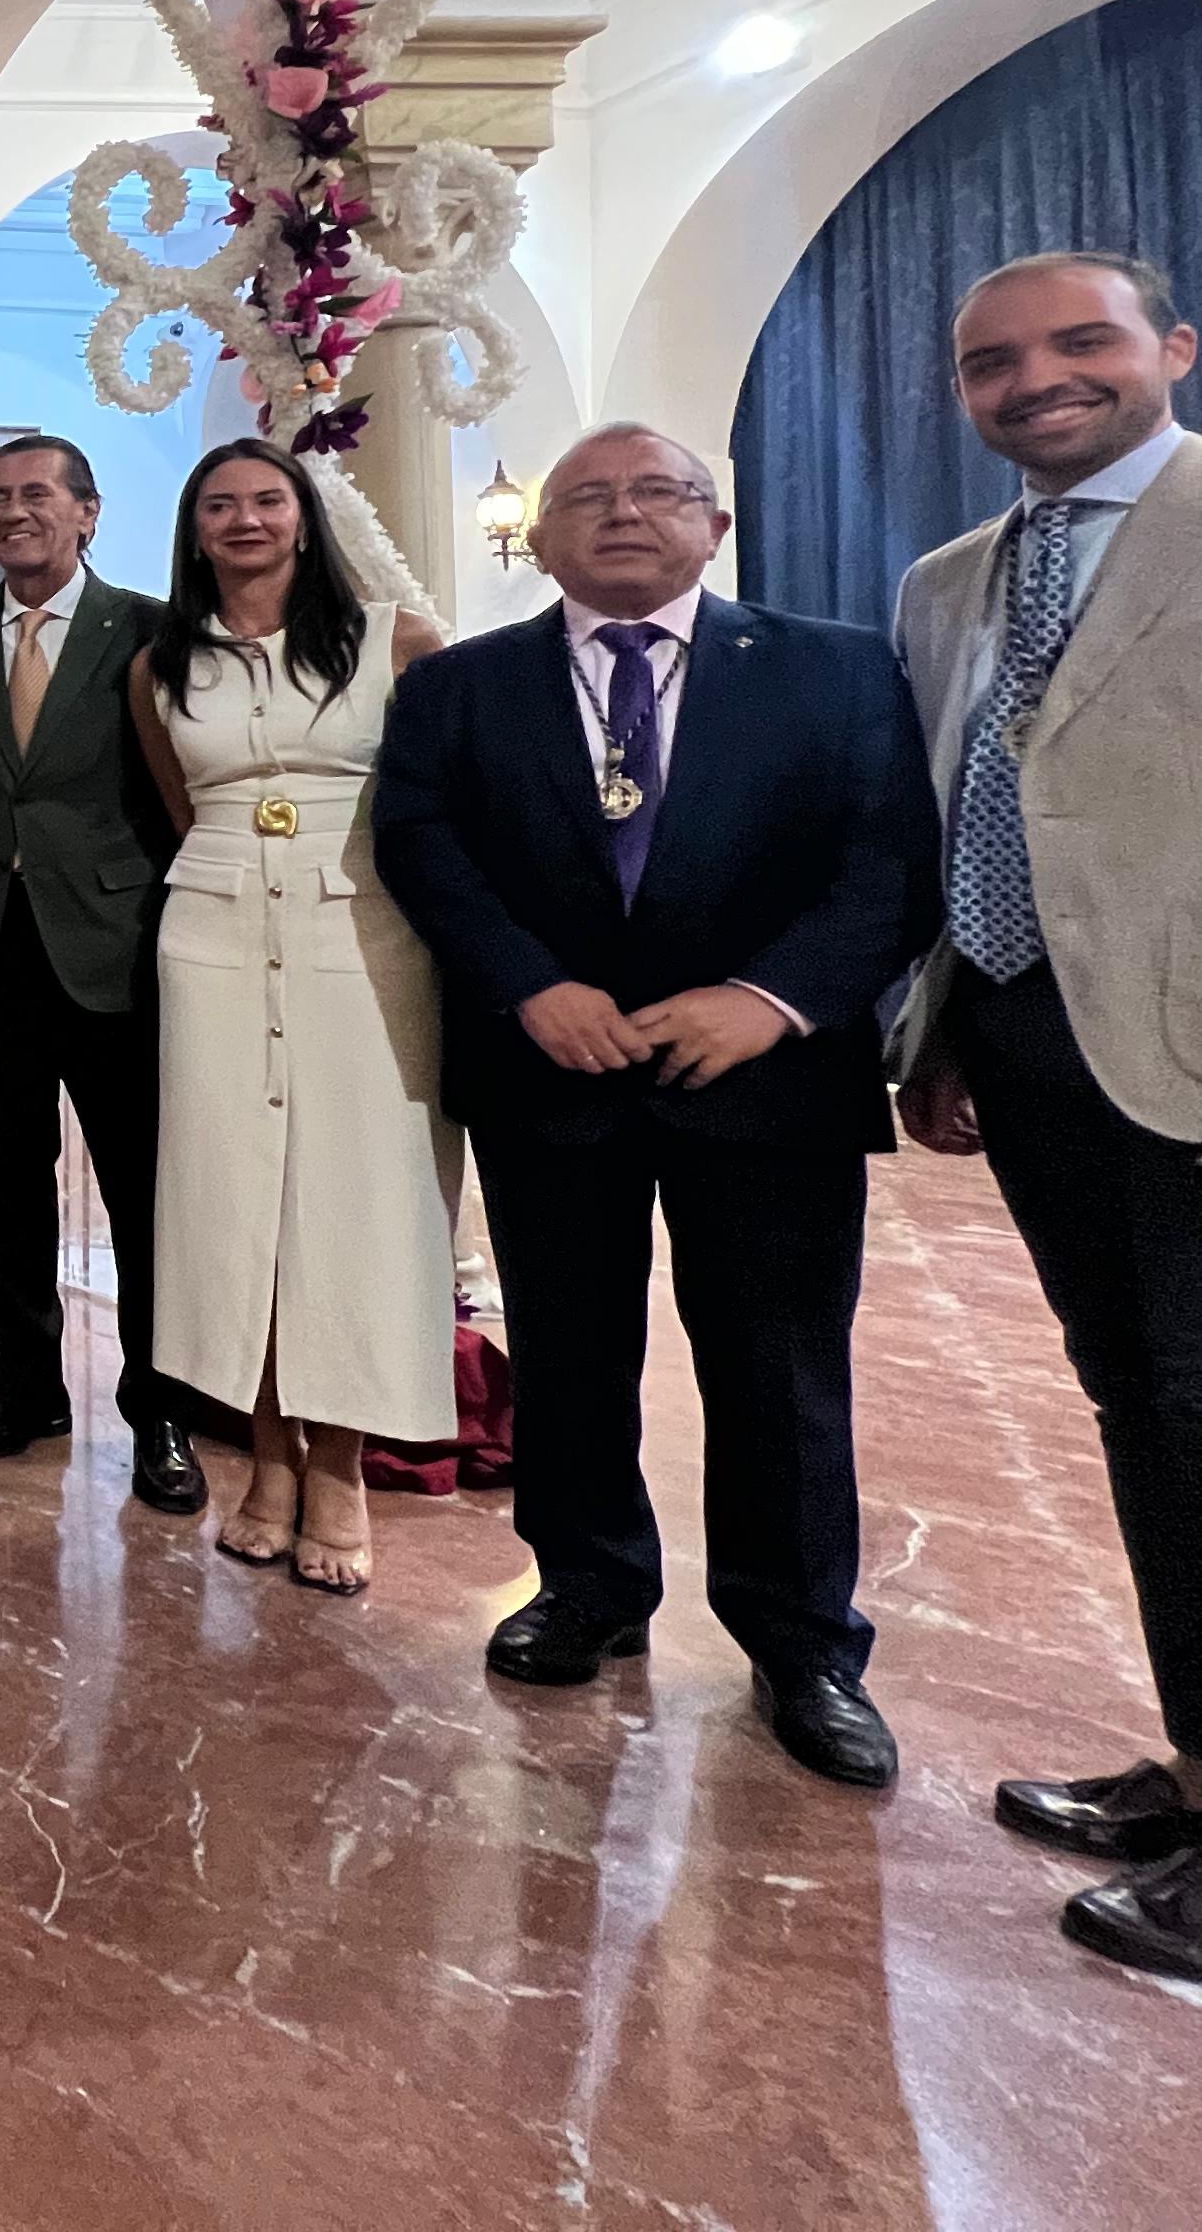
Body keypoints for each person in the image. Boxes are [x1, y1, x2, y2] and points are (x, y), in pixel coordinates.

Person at [375, 423, 940, 1785]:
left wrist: (773, 1000)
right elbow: (421, 844)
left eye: (656, 492)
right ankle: (588, 1584)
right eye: (587, 497)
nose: (621, 514)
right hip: (551, 1069)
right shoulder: (460, 685)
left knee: (781, 1368)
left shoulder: (838, 668)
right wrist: (528, 985)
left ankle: (803, 1644)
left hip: (768, 1080)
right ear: (542, 537)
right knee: (568, 1347)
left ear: (714, 524)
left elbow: (889, 862)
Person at [891, 251, 1202, 1980]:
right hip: (1027, 1043)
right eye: (993, 361)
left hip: (1189, 1046)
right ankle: (1194, 1762)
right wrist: (948, 1023)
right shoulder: (952, 580)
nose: (1036, 380)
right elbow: (967, 808)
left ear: (1172, 348)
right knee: (1138, 1399)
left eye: (1081, 342)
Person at [129, 441, 454, 1595]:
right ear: (194, 529)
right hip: (214, 930)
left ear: (305, 519)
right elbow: (183, 803)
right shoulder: (163, 664)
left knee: (353, 1197)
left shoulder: (395, 642)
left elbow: (435, 799)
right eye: (219, 504)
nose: (245, 519)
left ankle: (343, 1464)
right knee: (235, 1195)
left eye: (268, 500)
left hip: (361, 930)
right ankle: (268, 1455)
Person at [0, 435, 205, 1515]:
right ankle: (26, 1383)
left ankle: (160, 1410)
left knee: (141, 1188)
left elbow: (173, 782)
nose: (13, 512)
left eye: (37, 494)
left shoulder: (150, 628)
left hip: (115, 944)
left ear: (88, 512)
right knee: (4, 1182)